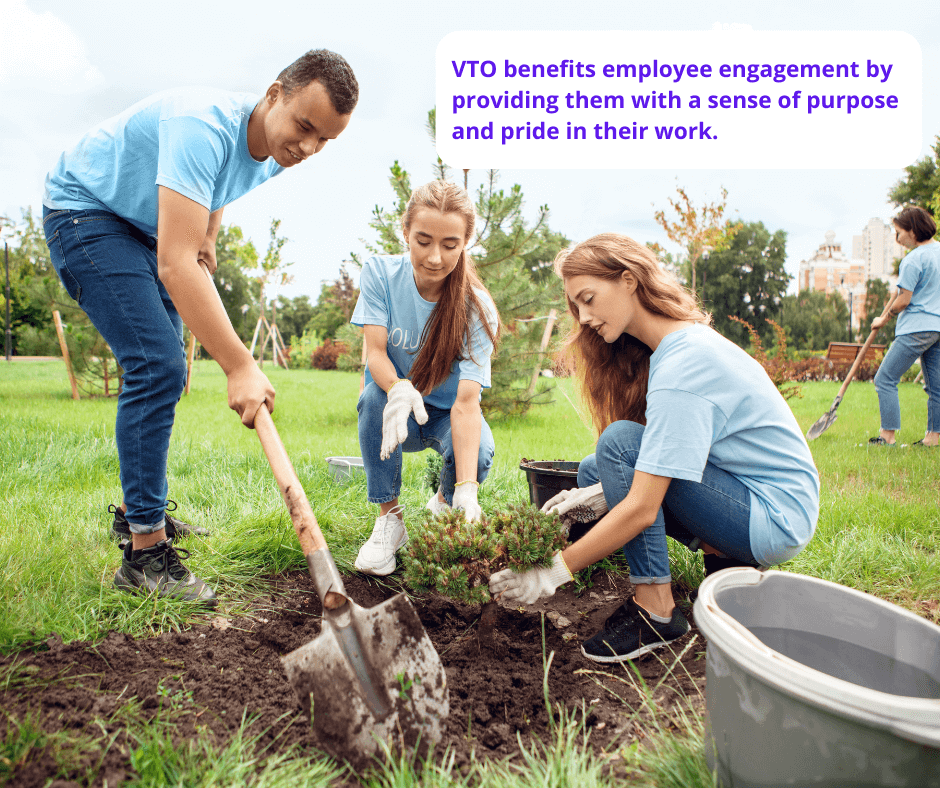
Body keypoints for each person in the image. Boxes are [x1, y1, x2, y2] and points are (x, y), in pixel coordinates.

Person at [42, 49, 358, 606]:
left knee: (163, 370)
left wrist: (210, 229)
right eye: (305, 127)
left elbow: (217, 184)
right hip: (86, 212)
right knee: (157, 365)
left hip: (136, 224)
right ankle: (144, 555)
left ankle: (137, 514)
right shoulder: (201, 126)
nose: (309, 148)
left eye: (325, 141)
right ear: (273, 93)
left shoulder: (271, 150)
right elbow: (174, 262)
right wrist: (240, 365)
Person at [489, 233, 820, 663]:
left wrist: (552, 572)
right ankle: (726, 563)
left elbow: (644, 505)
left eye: (589, 299)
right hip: (754, 501)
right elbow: (679, 451)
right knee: (596, 469)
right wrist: (596, 492)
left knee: (620, 448)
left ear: (629, 280)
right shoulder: (676, 345)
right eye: (576, 307)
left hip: (773, 516)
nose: (584, 317)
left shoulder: (685, 361)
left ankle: (655, 611)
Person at [352, 180, 500, 576]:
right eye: (423, 241)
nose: (435, 257)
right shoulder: (380, 274)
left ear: (466, 242)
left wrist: (467, 489)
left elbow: (467, 404)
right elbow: (377, 352)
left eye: (450, 245)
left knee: (480, 452)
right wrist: (398, 388)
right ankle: (390, 520)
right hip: (394, 411)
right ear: (406, 233)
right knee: (372, 399)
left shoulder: (476, 308)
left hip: (445, 415)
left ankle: (445, 500)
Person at [869, 205, 940, 447]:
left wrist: (883, 318)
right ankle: (932, 439)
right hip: (938, 327)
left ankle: (887, 436)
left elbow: (903, 300)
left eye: (898, 233)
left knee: (885, 378)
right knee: (936, 387)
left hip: (917, 328)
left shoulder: (913, 259)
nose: (897, 239)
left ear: (912, 230)